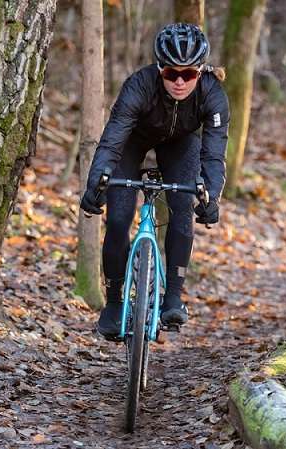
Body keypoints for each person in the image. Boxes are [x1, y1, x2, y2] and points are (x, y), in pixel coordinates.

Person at [80, 23, 230, 340]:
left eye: (188, 74)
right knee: (118, 219)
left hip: (180, 144)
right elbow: (112, 140)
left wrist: (211, 195)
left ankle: (173, 297)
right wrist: (97, 182)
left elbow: (214, 154)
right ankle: (114, 303)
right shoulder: (139, 85)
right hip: (132, 142)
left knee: (183, 207)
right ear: (159, 68)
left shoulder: (212, 93)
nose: (179, 81)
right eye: (171, 73)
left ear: (201, 71)